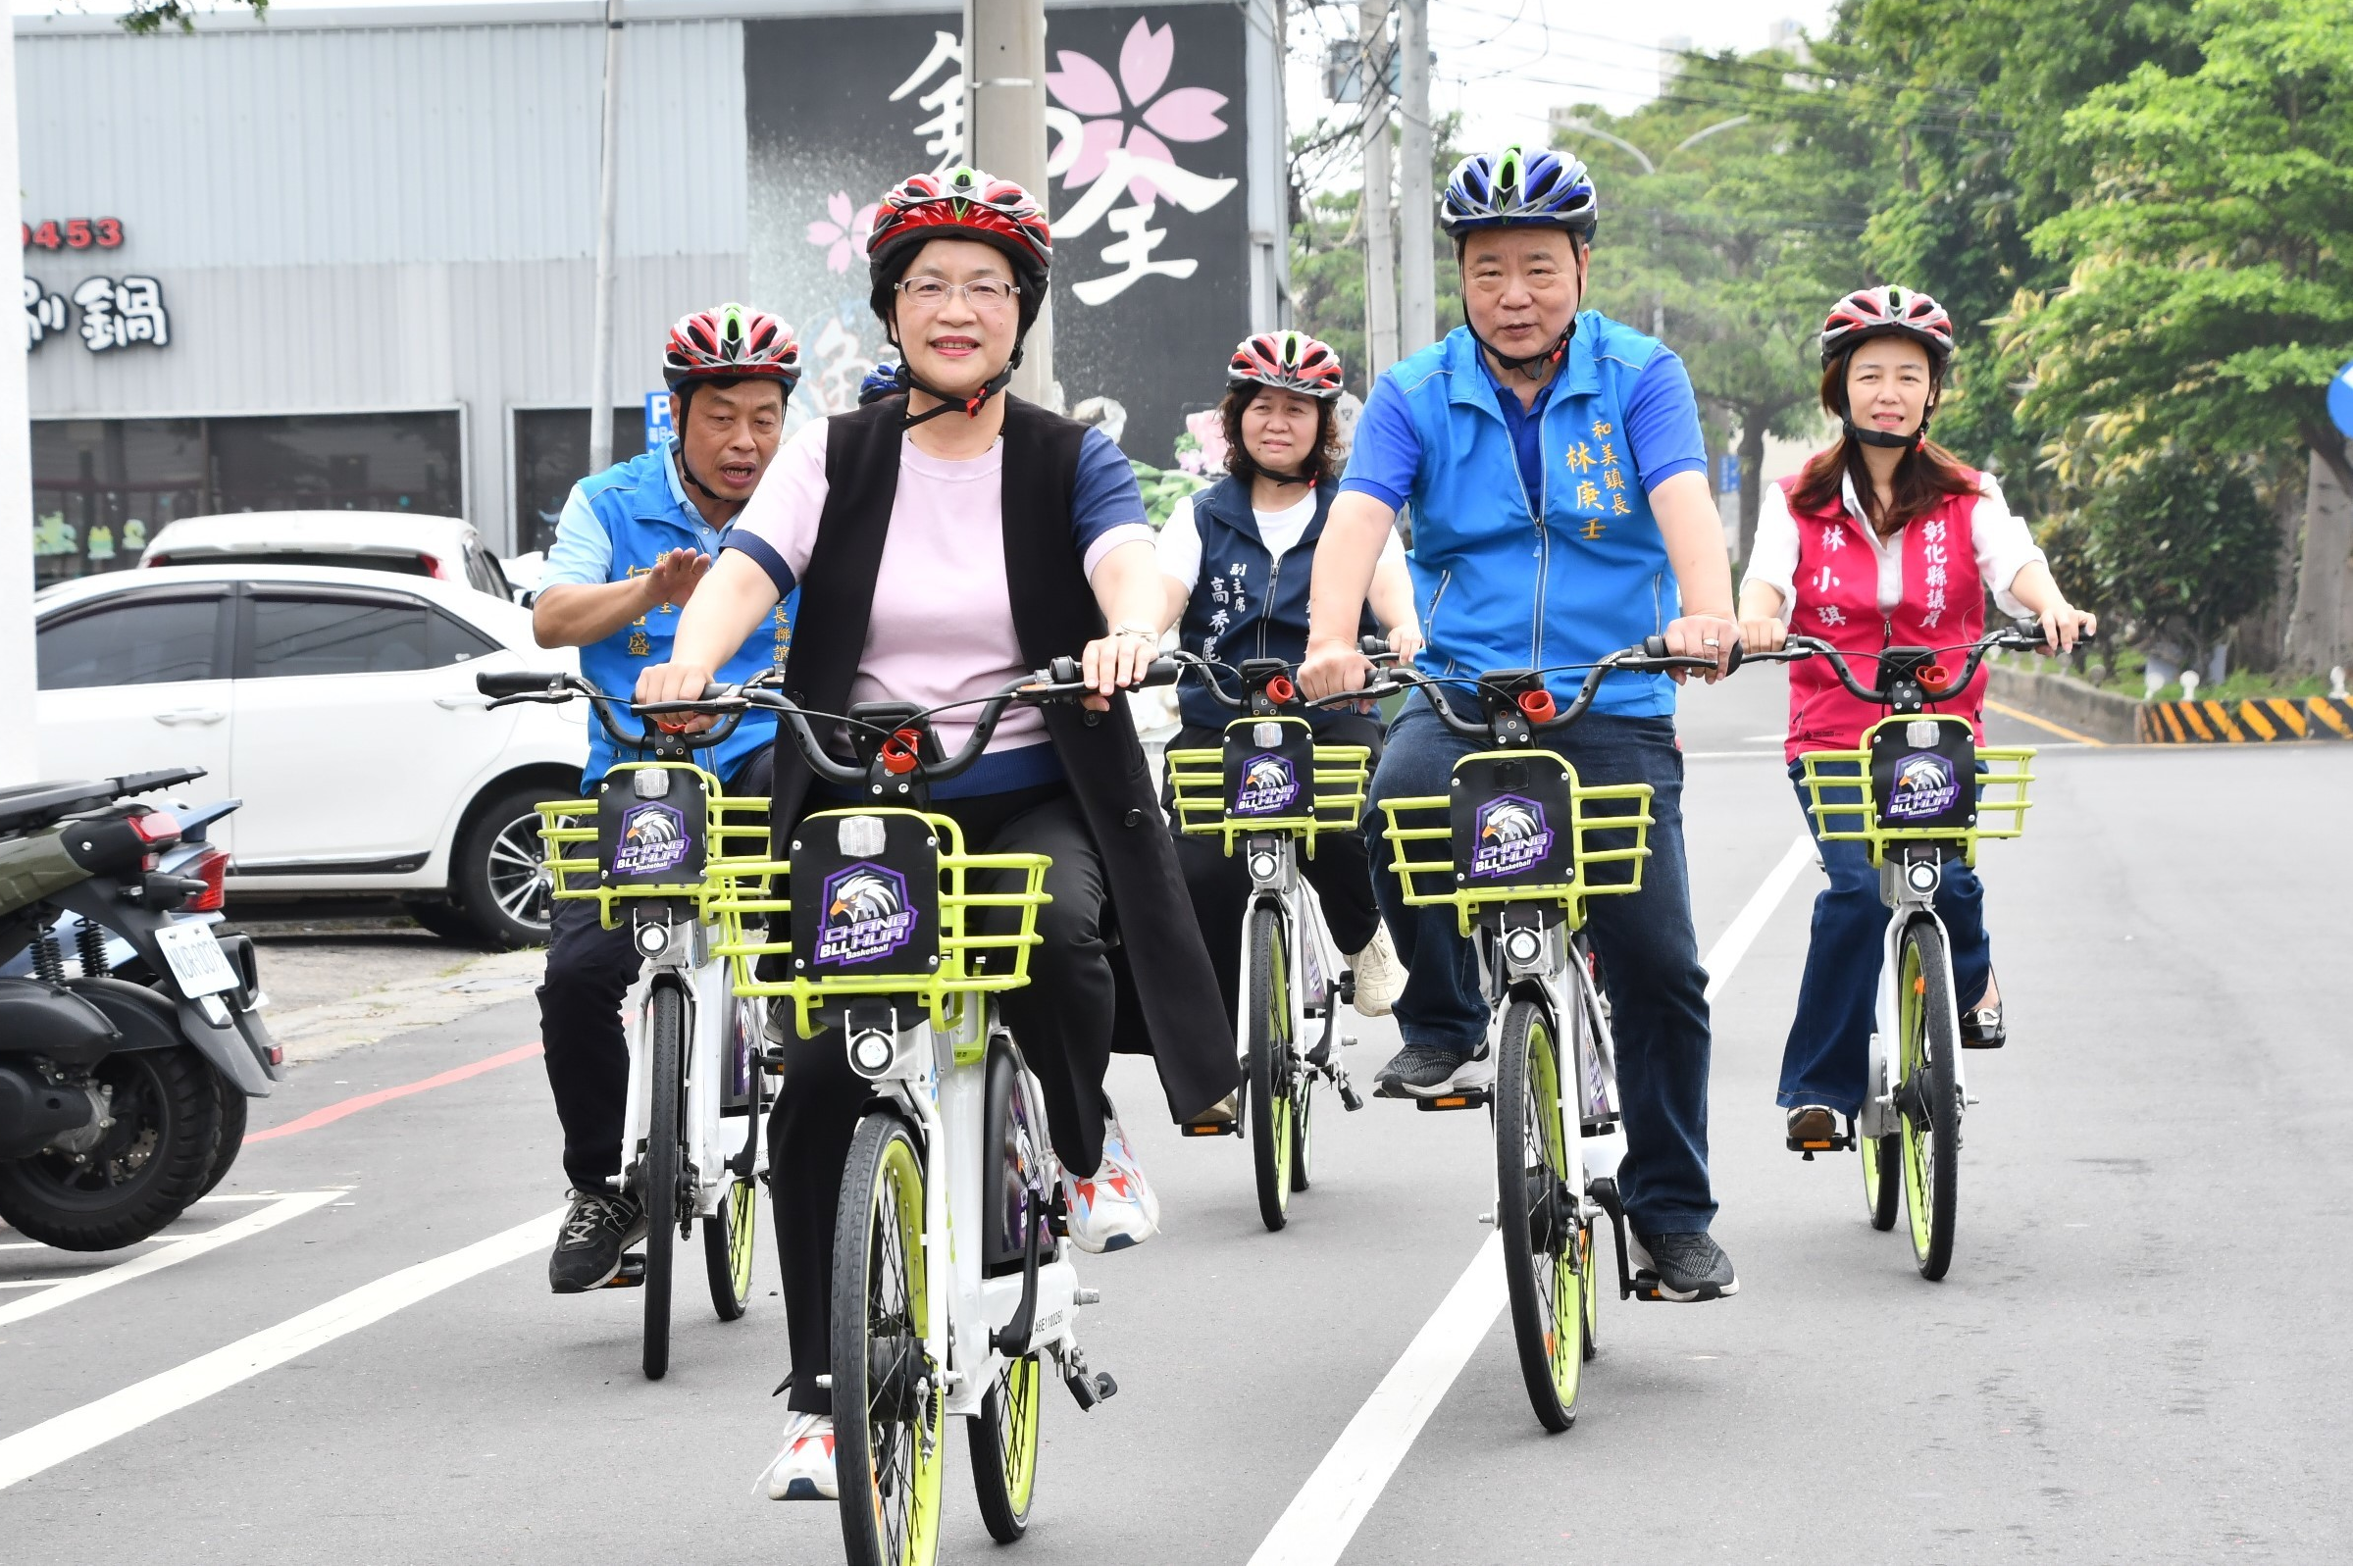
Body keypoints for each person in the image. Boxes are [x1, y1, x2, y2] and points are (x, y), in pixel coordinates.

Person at [632, 166, 1236, 1500]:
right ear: (889, 309)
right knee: (822, 1079)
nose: (954, 308)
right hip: (864, 793)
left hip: (1024, 776)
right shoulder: (833, 455)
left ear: (1019, 311)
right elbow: (748, 570)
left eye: (983, 286)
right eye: (926, 286)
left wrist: (1130, 627)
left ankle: (1081, 1145)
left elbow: (1119, 553)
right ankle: (817, 1397)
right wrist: (686, 659)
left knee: (1063, 935)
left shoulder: (1064, 453)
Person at [1299, 145, 1745, 1303]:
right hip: (1462, 685)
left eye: (1537, 268)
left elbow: (1683, 503)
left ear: (1581, 268)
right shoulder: (1411, 392)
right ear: (1460, 277)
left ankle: (1670, 1212)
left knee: (1657, 966)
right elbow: (1354, 521)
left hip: (1614, 693)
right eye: (1487, 268)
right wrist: (1328, 639)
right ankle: (1443, 1019)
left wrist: (1707, 615)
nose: (1512, 293)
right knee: (1390, 800)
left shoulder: (1642, 375)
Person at [1734, 284, 2094, 1146]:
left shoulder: (1969, 493)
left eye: (1907, 374)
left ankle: (1970, 979)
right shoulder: (1797, 499)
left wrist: (2051, 606)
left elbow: (2016, 564)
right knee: (1855, 890)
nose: (1887, 390)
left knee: (1952, 879)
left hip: (1936, 729)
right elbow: (1766, 580)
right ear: (1839, 390)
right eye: (1869, 375)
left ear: (1931, 391)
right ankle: (1818, 1093)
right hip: (1831, 729)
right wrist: (1754, 620)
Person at [528, 304, 802, 1293]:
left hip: (770, 758)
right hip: (639, 780)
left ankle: (780, 1021)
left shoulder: (808, 502)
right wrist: (650, 593)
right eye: (722, 415)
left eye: (765, 417)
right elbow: (553, 620)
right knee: (578, 977)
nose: (744, 441)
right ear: (676, 416)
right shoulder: (607, 500)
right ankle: (599, 1188)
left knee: (816, 854)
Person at [1151, 329, 1420, 1024]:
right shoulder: (1199, 514)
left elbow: (1389, 580)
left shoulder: (1353, 510)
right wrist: (1131, 638)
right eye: (1262, 406)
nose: (1278, 422)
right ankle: (1216, 1023)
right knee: (1198, 869)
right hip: (1219, 726)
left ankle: (1364, 943)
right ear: (1235, 417)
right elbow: (1160, 592)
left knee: (1341, 833)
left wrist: (1402, 628)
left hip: (1331, 721)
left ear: (1323, 425)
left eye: (1298, 409)